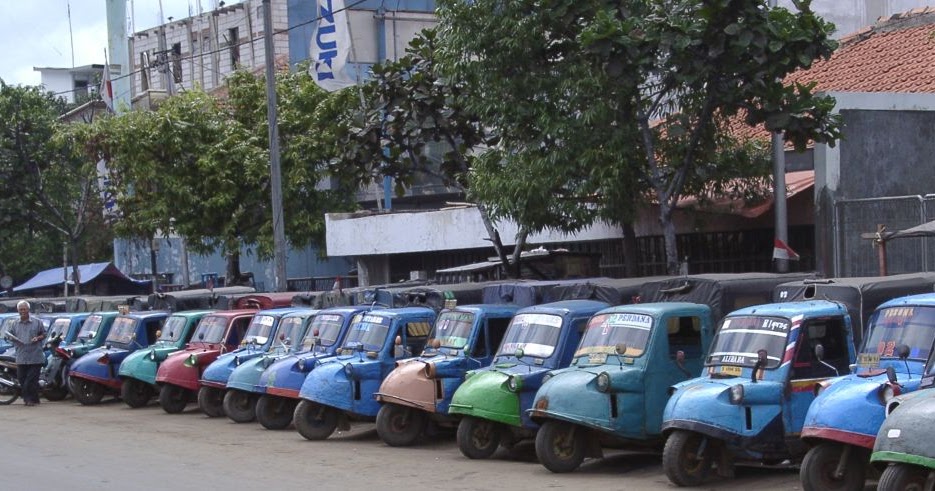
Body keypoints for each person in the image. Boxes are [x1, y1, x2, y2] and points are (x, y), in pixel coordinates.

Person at [4, 301, 46, 406]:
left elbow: (44, 334)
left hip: (35, 356)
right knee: (22, 379)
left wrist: (38, 338)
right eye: (20, 310)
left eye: (24, 309)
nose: (22, 311)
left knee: (30, 380)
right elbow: (9, 335)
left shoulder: (37, 322)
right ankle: (34, 398)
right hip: (21, 356)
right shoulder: (14, 323)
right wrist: (11, 338)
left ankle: (28, 400)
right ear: (18, 311)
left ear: (28, 310)